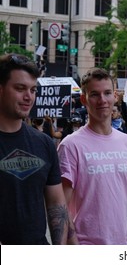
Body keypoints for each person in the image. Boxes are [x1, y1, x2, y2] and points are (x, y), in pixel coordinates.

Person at [57, 67, 127, 245]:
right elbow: (61, 207)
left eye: (107, 93)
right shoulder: (70, 145)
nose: (102, 100)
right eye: (94, 94)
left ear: (115, 96)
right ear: (84, 99)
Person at [0, 53, 74, 244]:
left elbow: (57, 204)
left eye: (33, 90)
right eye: (20, 88)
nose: (28, 97)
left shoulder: (44, 142)